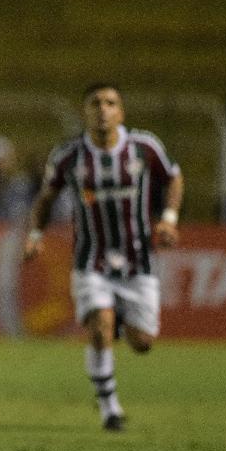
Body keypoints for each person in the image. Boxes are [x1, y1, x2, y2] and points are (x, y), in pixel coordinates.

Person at [24, 83, 184, 431]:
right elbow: (46, 199)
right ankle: (110, 408)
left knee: (143, 343)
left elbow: (173, 178)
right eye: (95, 103)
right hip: (90, 262)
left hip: (137, 263)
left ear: (121, 112)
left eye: (111, 103)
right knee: (100, 326)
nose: (103, 109)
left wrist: (169, 219)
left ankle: (119, 318)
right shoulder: (69, 156)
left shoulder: (144, 147)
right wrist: (35, 235)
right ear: (86, 112)